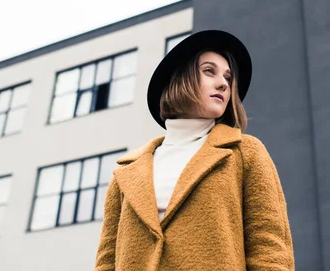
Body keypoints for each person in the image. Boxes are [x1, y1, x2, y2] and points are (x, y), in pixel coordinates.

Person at [94, 30, 294, 270]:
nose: (223, 83)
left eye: (228, 78)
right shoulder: (126, 172)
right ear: (179, 79)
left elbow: (270, 250)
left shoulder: (245, 152)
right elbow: (107, 261)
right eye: (209, 71)